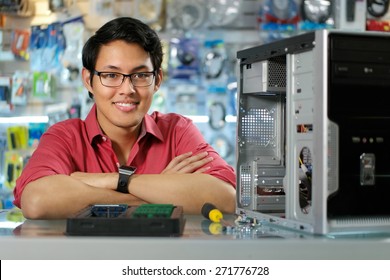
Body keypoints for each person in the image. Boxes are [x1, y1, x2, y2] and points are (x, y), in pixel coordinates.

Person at [13, 17, 236, 219]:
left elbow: (226, 198)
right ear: (89, 80)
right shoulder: (65, 136)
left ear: (157, 80)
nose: (127, 89)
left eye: (140, 75)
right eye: (111, 75)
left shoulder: (178, 130)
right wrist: (160, 193)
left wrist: (118, 181)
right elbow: (37, 201)